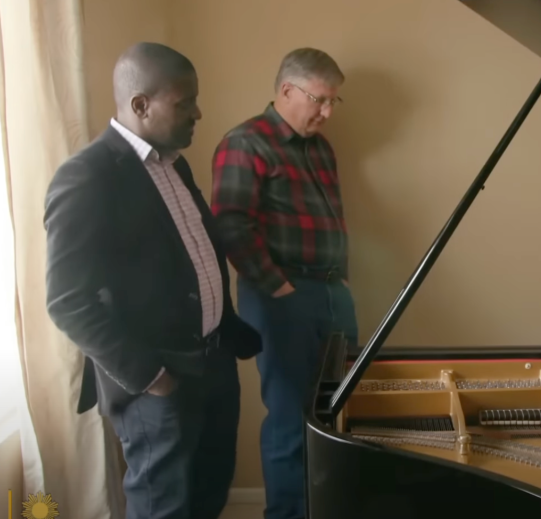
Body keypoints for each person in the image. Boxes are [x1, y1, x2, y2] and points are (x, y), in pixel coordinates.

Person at [44, 42, 261, 519]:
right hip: (156, 381)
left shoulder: (173, 163)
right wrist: (149, 378)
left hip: (212, 363)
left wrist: (227, 329)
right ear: (140, 104)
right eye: (185, 102)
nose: (198, 112)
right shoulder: (88, 178)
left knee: (208, 492)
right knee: (163, 505)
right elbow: (66, 300)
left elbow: (193, 253)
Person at [211, 47, 358, 519]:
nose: (328, 112)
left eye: (335, 102)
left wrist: (342, 285)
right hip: (280, 297)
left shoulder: (321, 147)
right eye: (320, 99)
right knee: (291, 419)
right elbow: (231, 225)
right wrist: (280, 290)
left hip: (333, 294)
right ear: (287, 91)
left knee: (340, 411)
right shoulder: (245, 142)